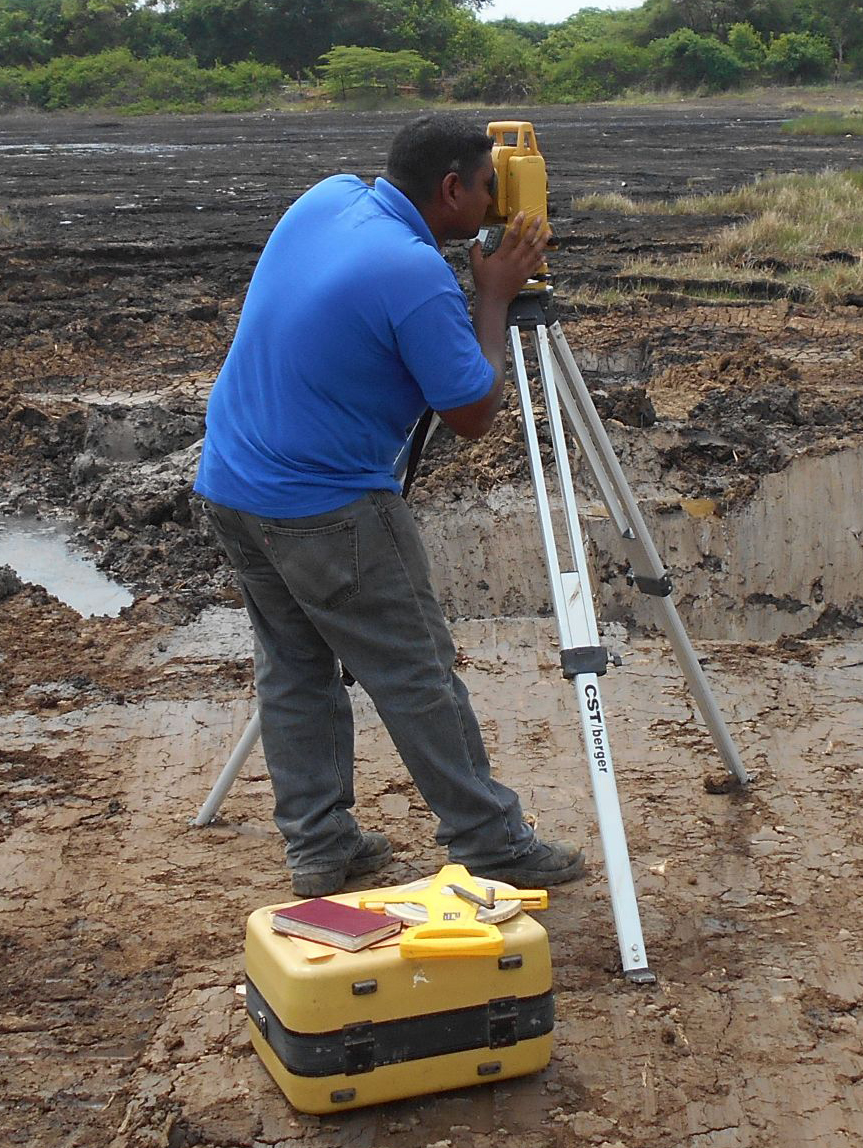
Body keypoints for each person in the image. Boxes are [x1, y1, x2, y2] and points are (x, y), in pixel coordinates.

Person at [195, 113, 586, 898]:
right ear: (451, 188)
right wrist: (496, 296)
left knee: (295, 668)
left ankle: (319, 847)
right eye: (486, 188)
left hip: (231, 481)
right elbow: (472, 413)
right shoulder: (414, 275)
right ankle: (489, 839)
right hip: (323, 504)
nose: (492, 202)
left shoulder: (329, 196)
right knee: (416, 674)